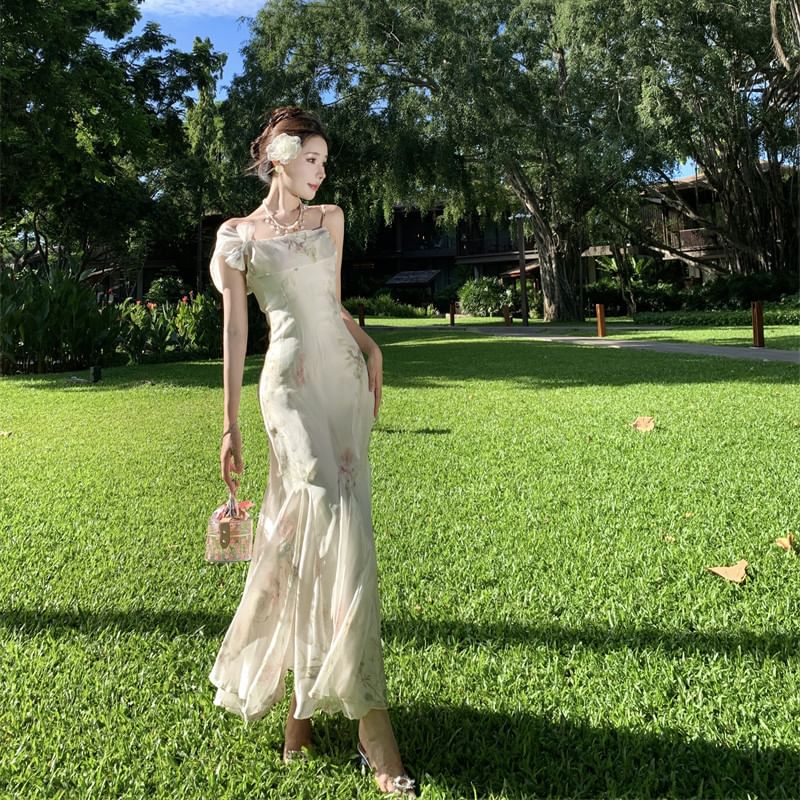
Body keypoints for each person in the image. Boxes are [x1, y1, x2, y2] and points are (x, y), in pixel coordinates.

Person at [207, 106, 416, 797]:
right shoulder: (237, 237)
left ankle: (304, 710)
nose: (322, 173)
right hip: (288, 385)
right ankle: (371, 725)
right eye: (312, 159)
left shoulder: (331, 219)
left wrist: (370, 345)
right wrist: (230, 424)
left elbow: (332, 304)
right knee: (324, 504)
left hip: (341, 382)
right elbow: (237, 331)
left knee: (331, 530)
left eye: (325, 162)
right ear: (279, 156)